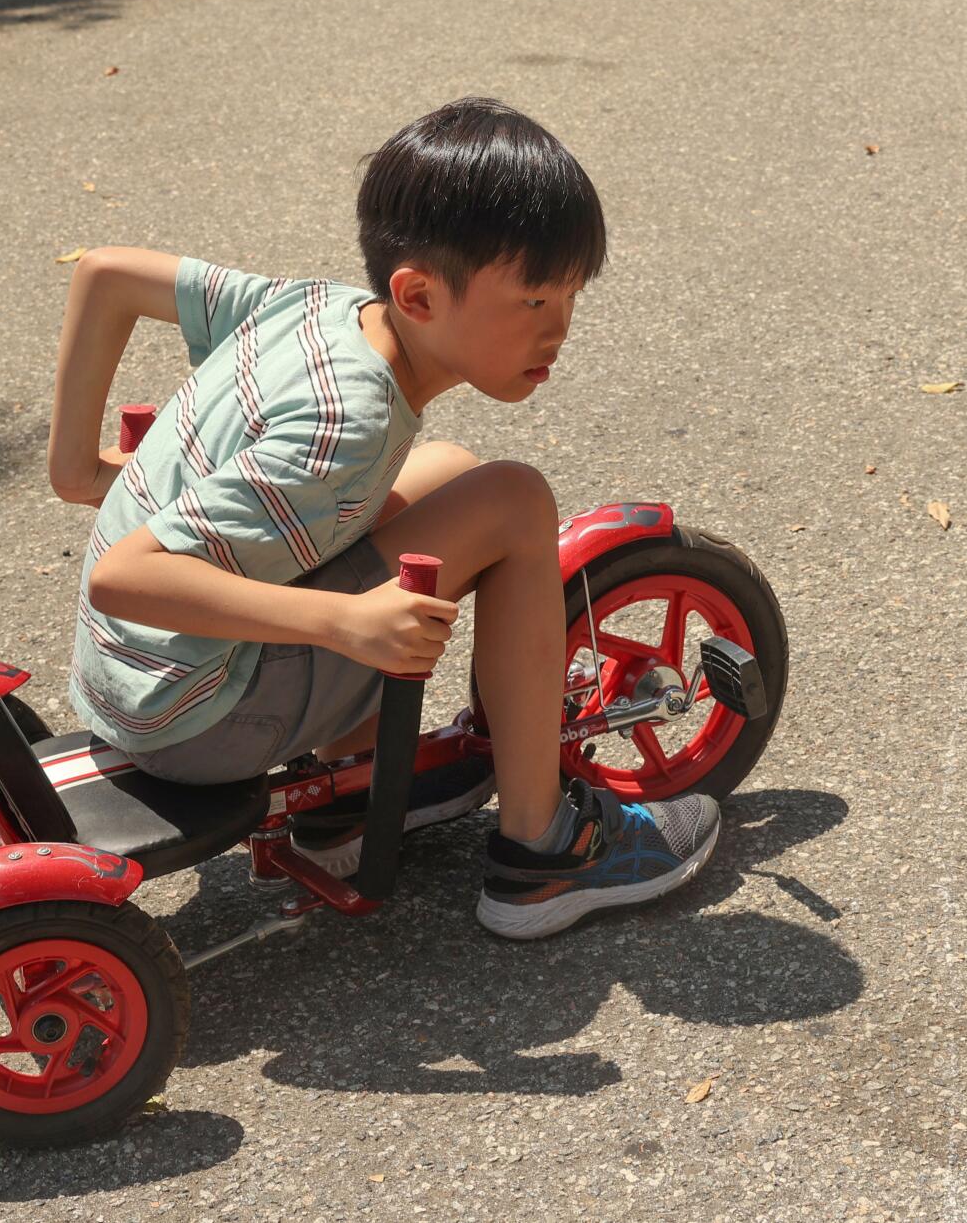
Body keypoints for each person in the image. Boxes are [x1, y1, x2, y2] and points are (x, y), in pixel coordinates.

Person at [42, 96, 718, 939]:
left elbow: (105, 273)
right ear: (419, 294)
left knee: (453, 474)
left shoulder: (317, 305)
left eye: (572, 296)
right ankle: (542, 857)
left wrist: (76, 469)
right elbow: (124, 577)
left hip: (140, 677)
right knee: (513, 502)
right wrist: (349, 621)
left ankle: (353, 796)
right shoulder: (346, 427)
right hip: (196, 718)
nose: (562, 329)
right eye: (534, 302)